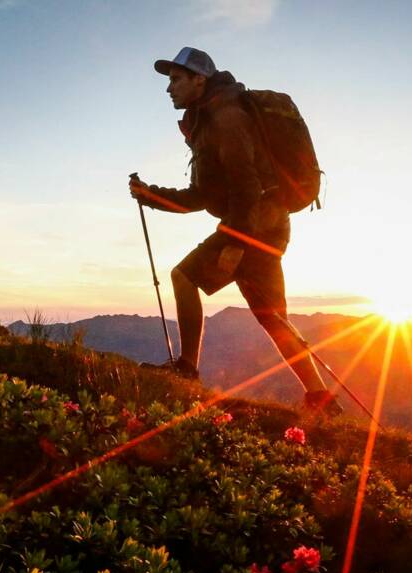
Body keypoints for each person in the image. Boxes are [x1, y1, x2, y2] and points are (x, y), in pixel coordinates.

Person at [129, 46, 340, 415]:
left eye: (176, 79)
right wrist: (151, 196)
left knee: (184, 276)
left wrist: (236, 246)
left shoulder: (225, 118)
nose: (169, 89)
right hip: (268, 226)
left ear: (200, 79)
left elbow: (247, 186)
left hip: (253, 226)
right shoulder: (208, 119)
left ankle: (187, 369)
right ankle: (321, 399)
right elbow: (202, 196)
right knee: (272, 316)